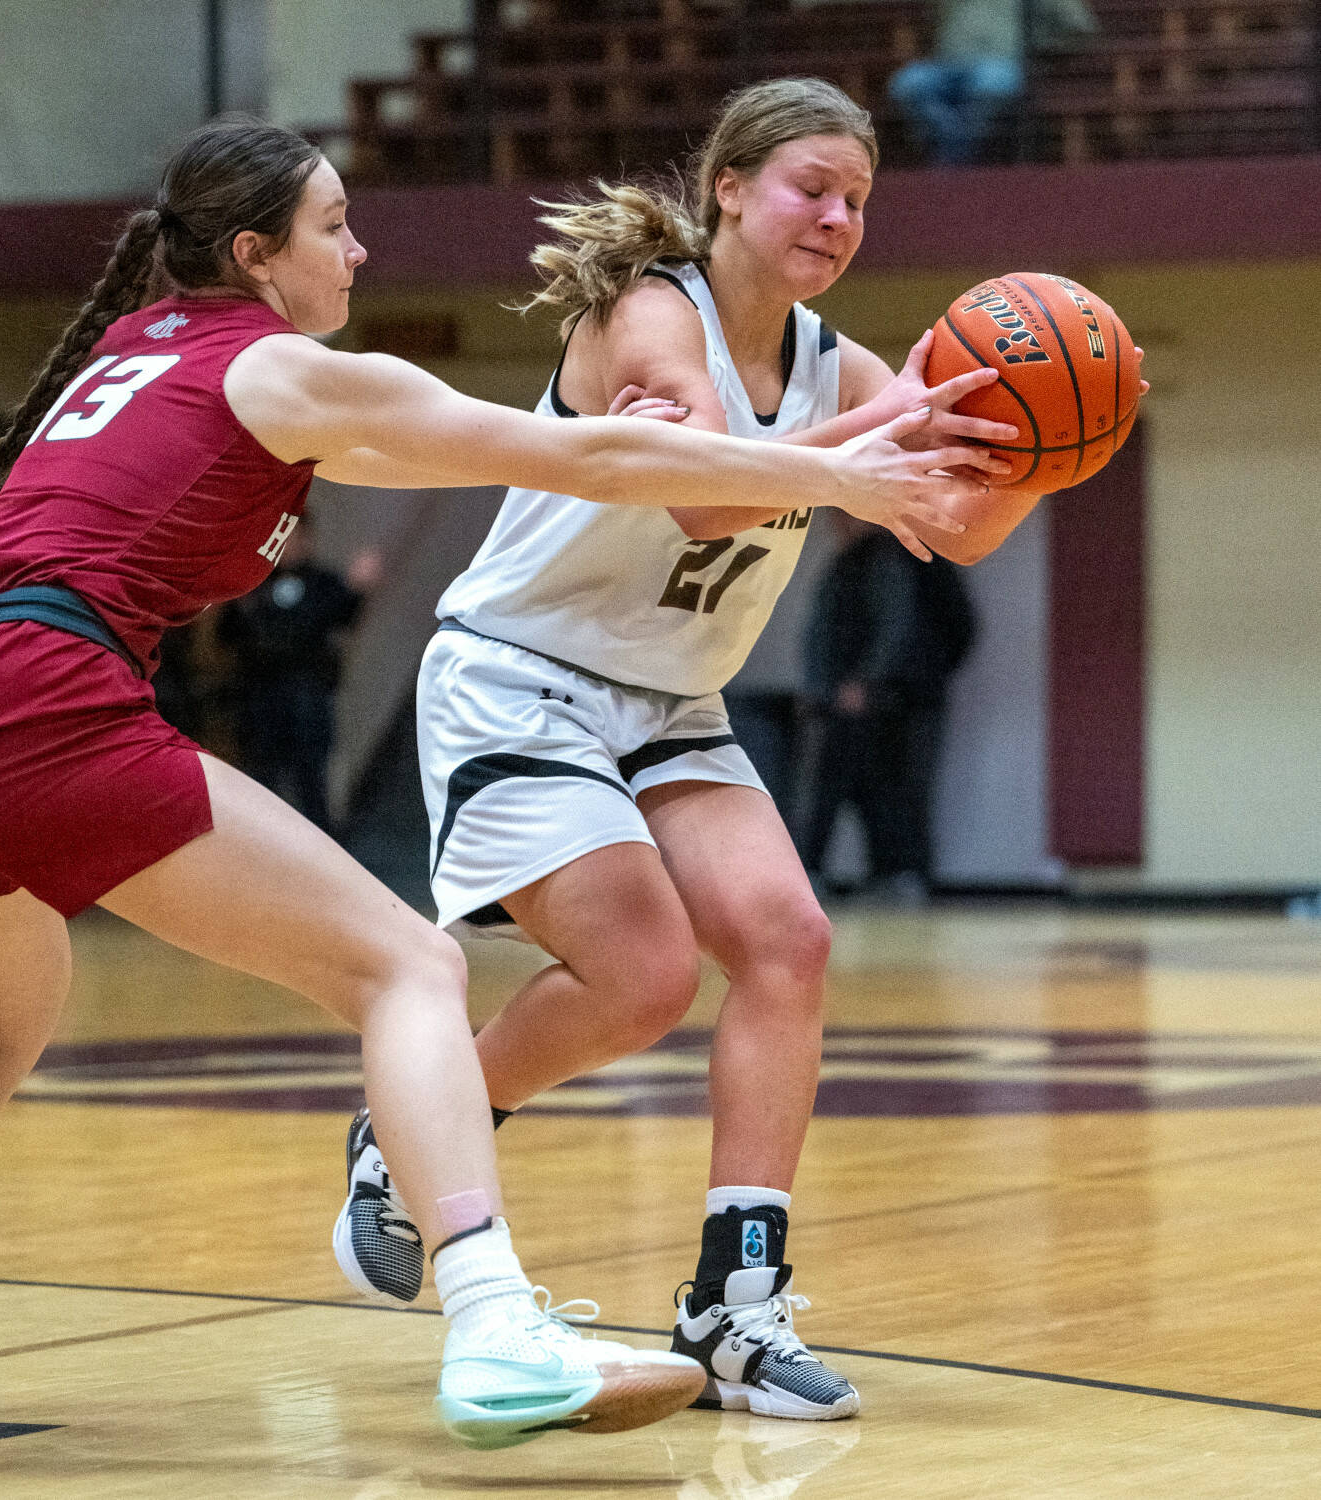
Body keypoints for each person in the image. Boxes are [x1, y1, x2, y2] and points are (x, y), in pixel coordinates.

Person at [0, 118, 989, 1447]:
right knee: (408, 969)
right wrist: (826, 469)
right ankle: (495, 1330)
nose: (361, 247)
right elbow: (587, 458)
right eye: (333, 226)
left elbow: (455, 457)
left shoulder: (134, 350)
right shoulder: (286, 370)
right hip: (31, 692)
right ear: (258, 255)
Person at [332, 76, 1030, 1422]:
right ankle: (411, 1130)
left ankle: (733, 1307)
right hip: (523, 678)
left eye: (858, 201)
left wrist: (1033, 453)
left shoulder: (833, 364)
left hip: (671, 704)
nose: (836, 218)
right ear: (728, 186)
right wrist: (866, 450)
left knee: (790, 939)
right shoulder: (653, 312)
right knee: (645, 975)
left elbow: (956, 528)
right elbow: (713, 497)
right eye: (809, 188)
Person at [800, 509, 977, 904]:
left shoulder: (892, 559)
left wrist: (868, 681)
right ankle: (888, 876)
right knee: (869, 791)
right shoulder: (853, 561)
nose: (838, 526)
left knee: (897, 792)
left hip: (893, 702)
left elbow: (897, 628)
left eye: (843, 516)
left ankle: (901, 877)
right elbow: (822, 633)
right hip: (865, 700)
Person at [217, 518, 379, 834]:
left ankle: (324, 853)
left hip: (308, 701)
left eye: (296, 537)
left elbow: (339, 619)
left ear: (308, 538)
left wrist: (356, 591)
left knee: (311, 785)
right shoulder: (254, 584)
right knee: (260, 781)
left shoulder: (324, 583)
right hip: (261, 699)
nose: (290, 545)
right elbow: (229, 636)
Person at [888, 0, 1097, 166]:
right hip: (945, 65)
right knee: (906, 84)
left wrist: (1039, 46)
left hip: (999, 64)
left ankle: (951, 163)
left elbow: (1079, 27)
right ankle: (958, 151)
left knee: (990, 85)